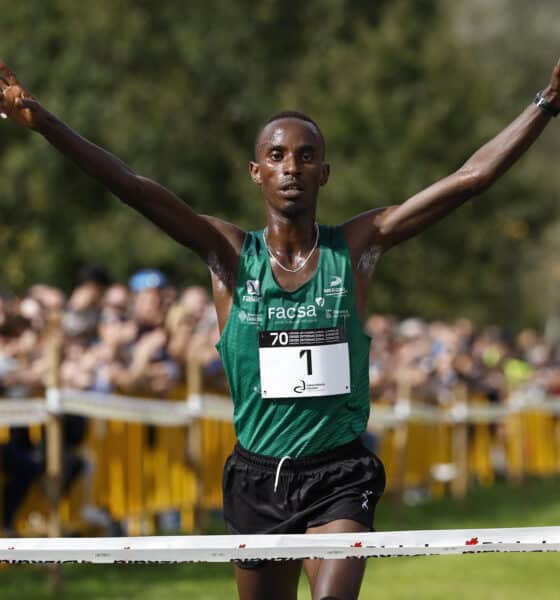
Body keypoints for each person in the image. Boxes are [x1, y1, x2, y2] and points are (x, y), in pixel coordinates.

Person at [1, 58, 559, 600]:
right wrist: (44, 122)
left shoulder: (359, 247)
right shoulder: (227, 254)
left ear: (324, 172)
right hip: (257, 478)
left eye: (306, 156)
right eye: (277, 155)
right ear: (257, 172)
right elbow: (133, 186)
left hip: (340, 473)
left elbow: (469, 180)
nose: (291, 167)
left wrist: (546, 103)